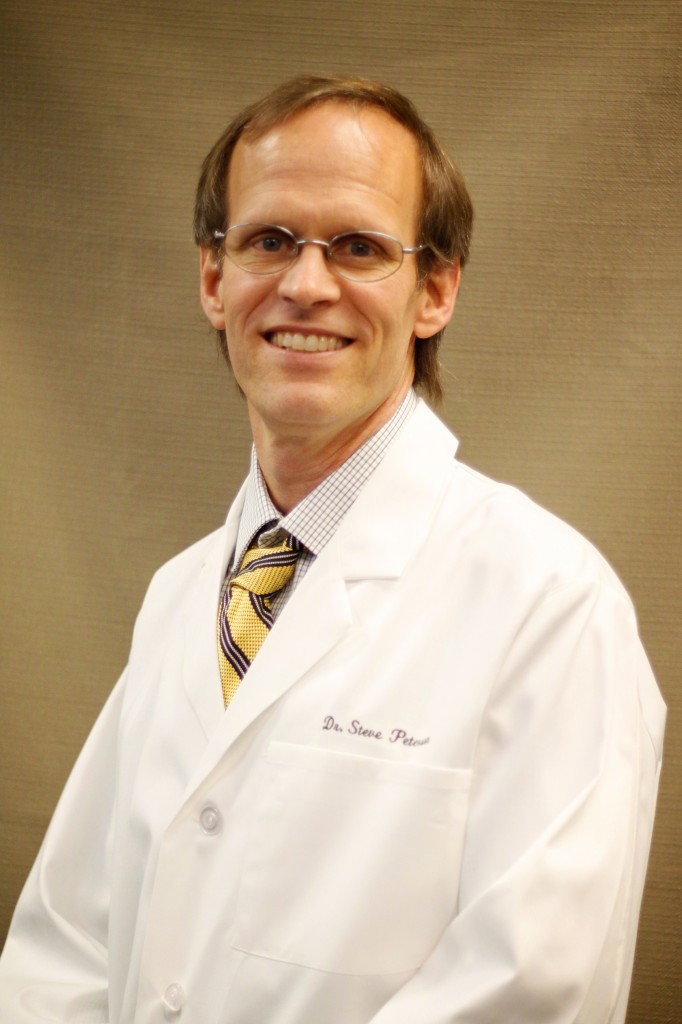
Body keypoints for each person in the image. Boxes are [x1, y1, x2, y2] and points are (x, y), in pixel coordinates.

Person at [0, 75, 666, 1024]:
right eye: (269, 240)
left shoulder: (550, 602)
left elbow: (529, 989)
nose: (306, 285)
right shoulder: (182, 595)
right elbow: (65, 944)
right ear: (214, 280)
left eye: (359, 247)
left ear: (436, 290)